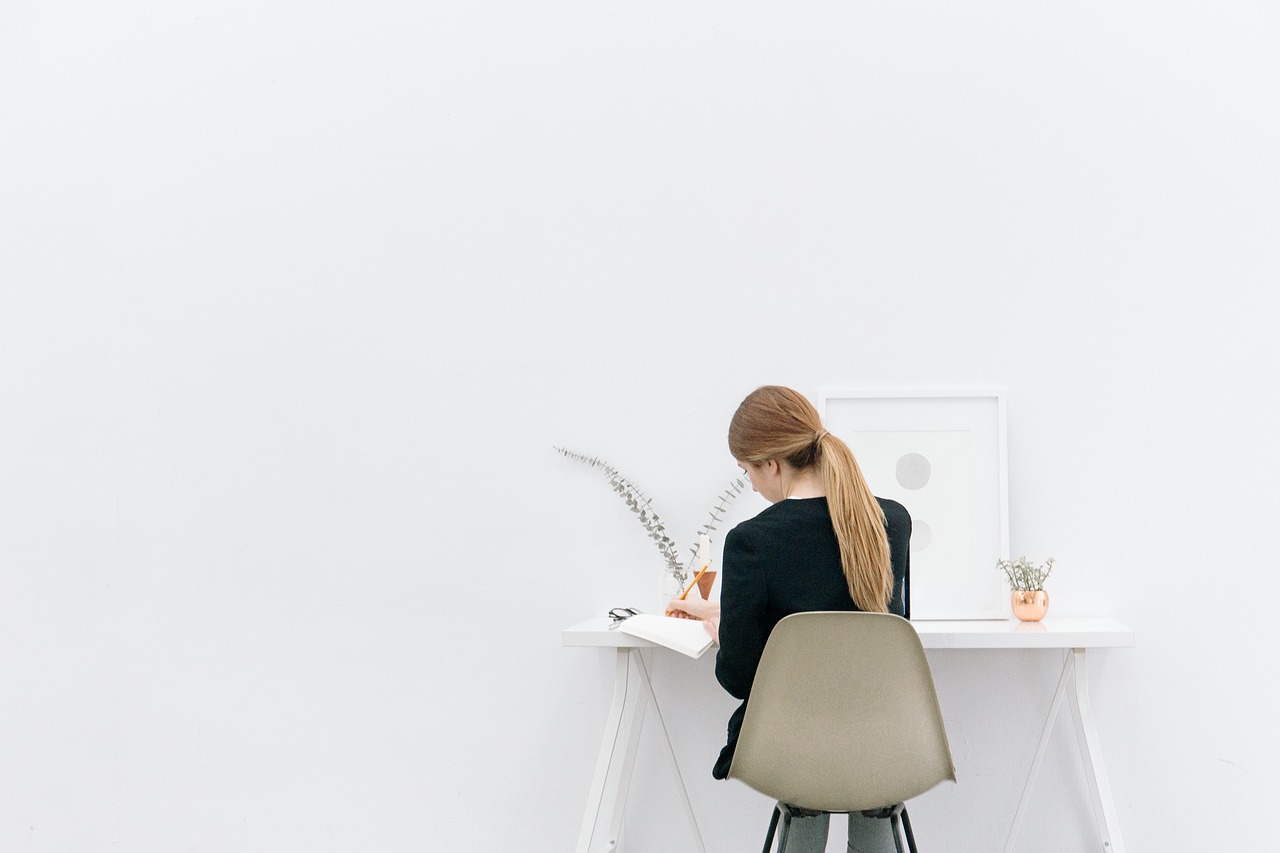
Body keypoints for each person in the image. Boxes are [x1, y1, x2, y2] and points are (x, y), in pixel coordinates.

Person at [668, 385, 911, 853]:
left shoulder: (751, 542)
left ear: (772, 465)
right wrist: (730, 611)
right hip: (887, 739)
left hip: (794, 746)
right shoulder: (891, 521)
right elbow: (885, 633)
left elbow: (741, 678)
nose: (753, 487)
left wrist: (725, 632)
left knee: (805, 736)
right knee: (864, 747)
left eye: (748, 473)